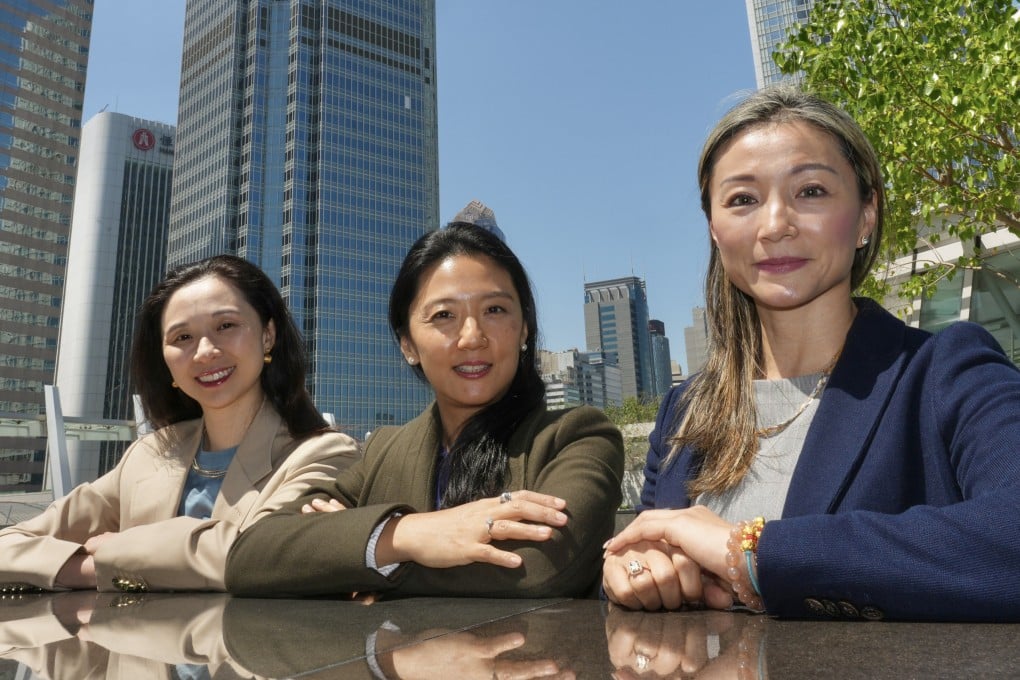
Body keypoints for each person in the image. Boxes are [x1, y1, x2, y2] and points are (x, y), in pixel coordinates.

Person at [603, 86, 1020, 622]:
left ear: (866, 215)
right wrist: (632, 572)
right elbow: (641, 556)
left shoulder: (946, 373)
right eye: (742, 200)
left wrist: (751, 553)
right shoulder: (684, 409)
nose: (775, 225)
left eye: (812, 191)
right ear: (714, 228)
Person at [226, 222, 624, 598]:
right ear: (408, 346)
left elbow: (539, 567)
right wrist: (408, 534)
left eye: (496, 310)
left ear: (523, 330)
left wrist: (357, 559)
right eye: (444, 316)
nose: (473, 337)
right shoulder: (383, 451)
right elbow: (252, 557)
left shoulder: (577, 437)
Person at [0, 255, 358, 593]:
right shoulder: (150, 454)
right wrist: (88, 570)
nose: (204, 351)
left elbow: (259, 555)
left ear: (268, 335)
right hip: (134, 654)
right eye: (182, 337)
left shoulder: (324, 455)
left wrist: (115, 551)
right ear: (165, 359)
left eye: (226, 326)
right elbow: (8, 545)